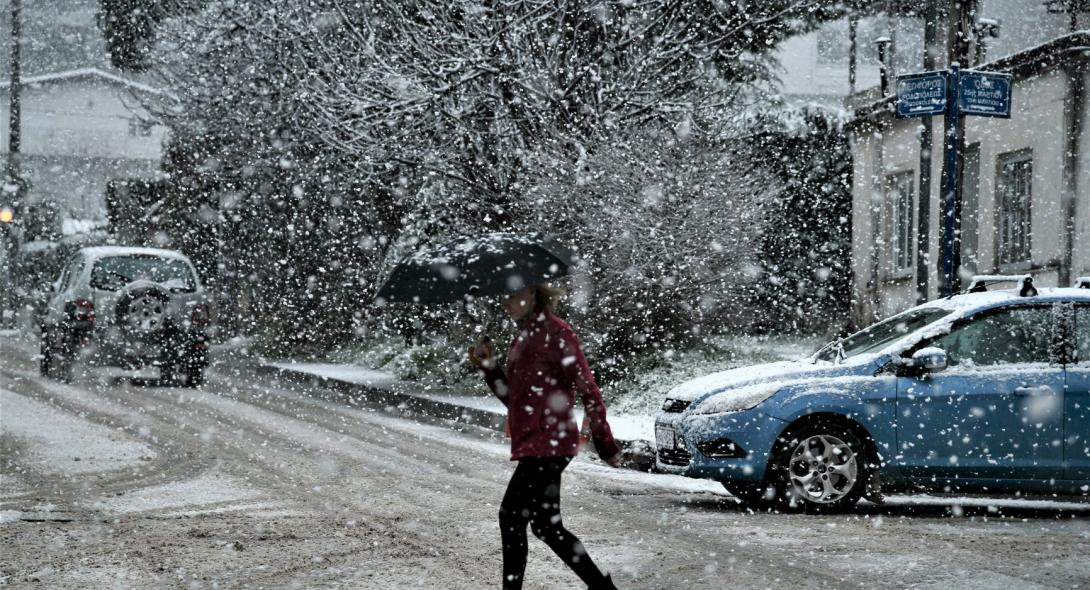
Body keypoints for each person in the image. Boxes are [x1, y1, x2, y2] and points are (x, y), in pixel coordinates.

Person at [468, 284, 621, 590]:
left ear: (534, 293)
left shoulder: (556, 332)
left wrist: (606, 444)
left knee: (511, 517)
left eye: (513, 294)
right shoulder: (524, 335)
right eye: (504, 295)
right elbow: (514, 399)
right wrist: (489, 367)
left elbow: (589, 389)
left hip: (550, 444)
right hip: (537, 445)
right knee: (546, 526)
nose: (506, 301)